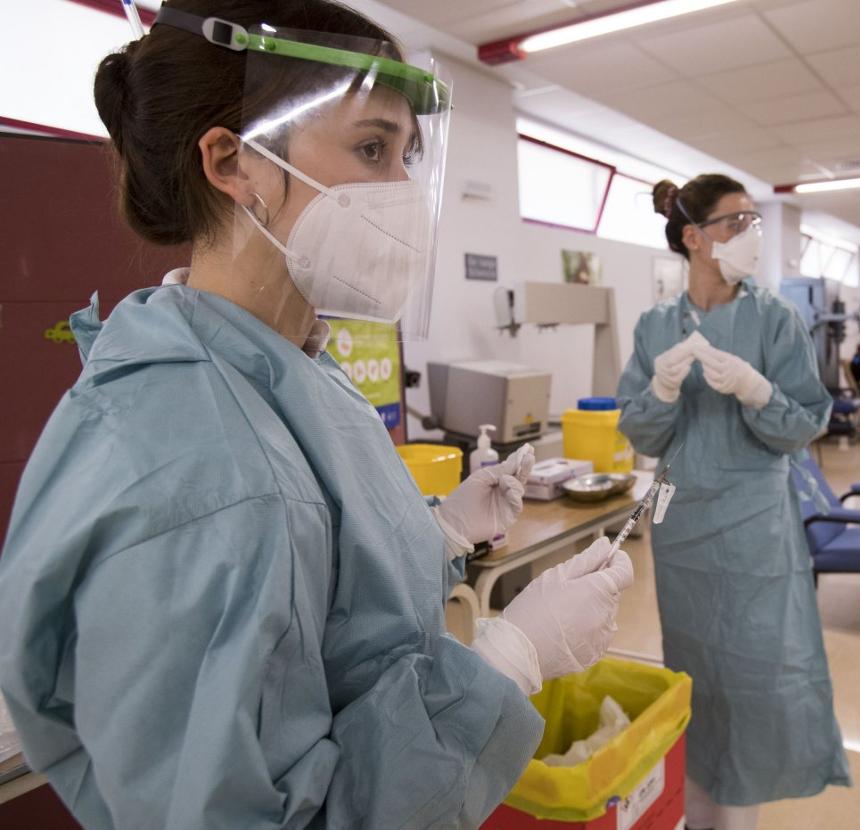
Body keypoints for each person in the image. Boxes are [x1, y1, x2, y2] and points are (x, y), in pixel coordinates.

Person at [0, 2, 632, 827]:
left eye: (408, 156)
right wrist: (507, 661)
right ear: (235, 163)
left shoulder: (288, 362)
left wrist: (437, 535)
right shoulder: (204, 477)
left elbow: (318, 607)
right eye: (372, 149)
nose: (403, 191)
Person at [616, 175, 850, 830]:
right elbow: (642, 434)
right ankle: (687, 808)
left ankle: (737, 815)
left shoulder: (775, 318)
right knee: (694, 676)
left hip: (754, 531)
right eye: (735, 223)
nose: (751, 236)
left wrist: (757, 391)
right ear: (693, 238)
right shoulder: (656, 326)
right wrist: (660, 394)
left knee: (753, 680)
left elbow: (805, 424)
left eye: (755, 222)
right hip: (683, 526)